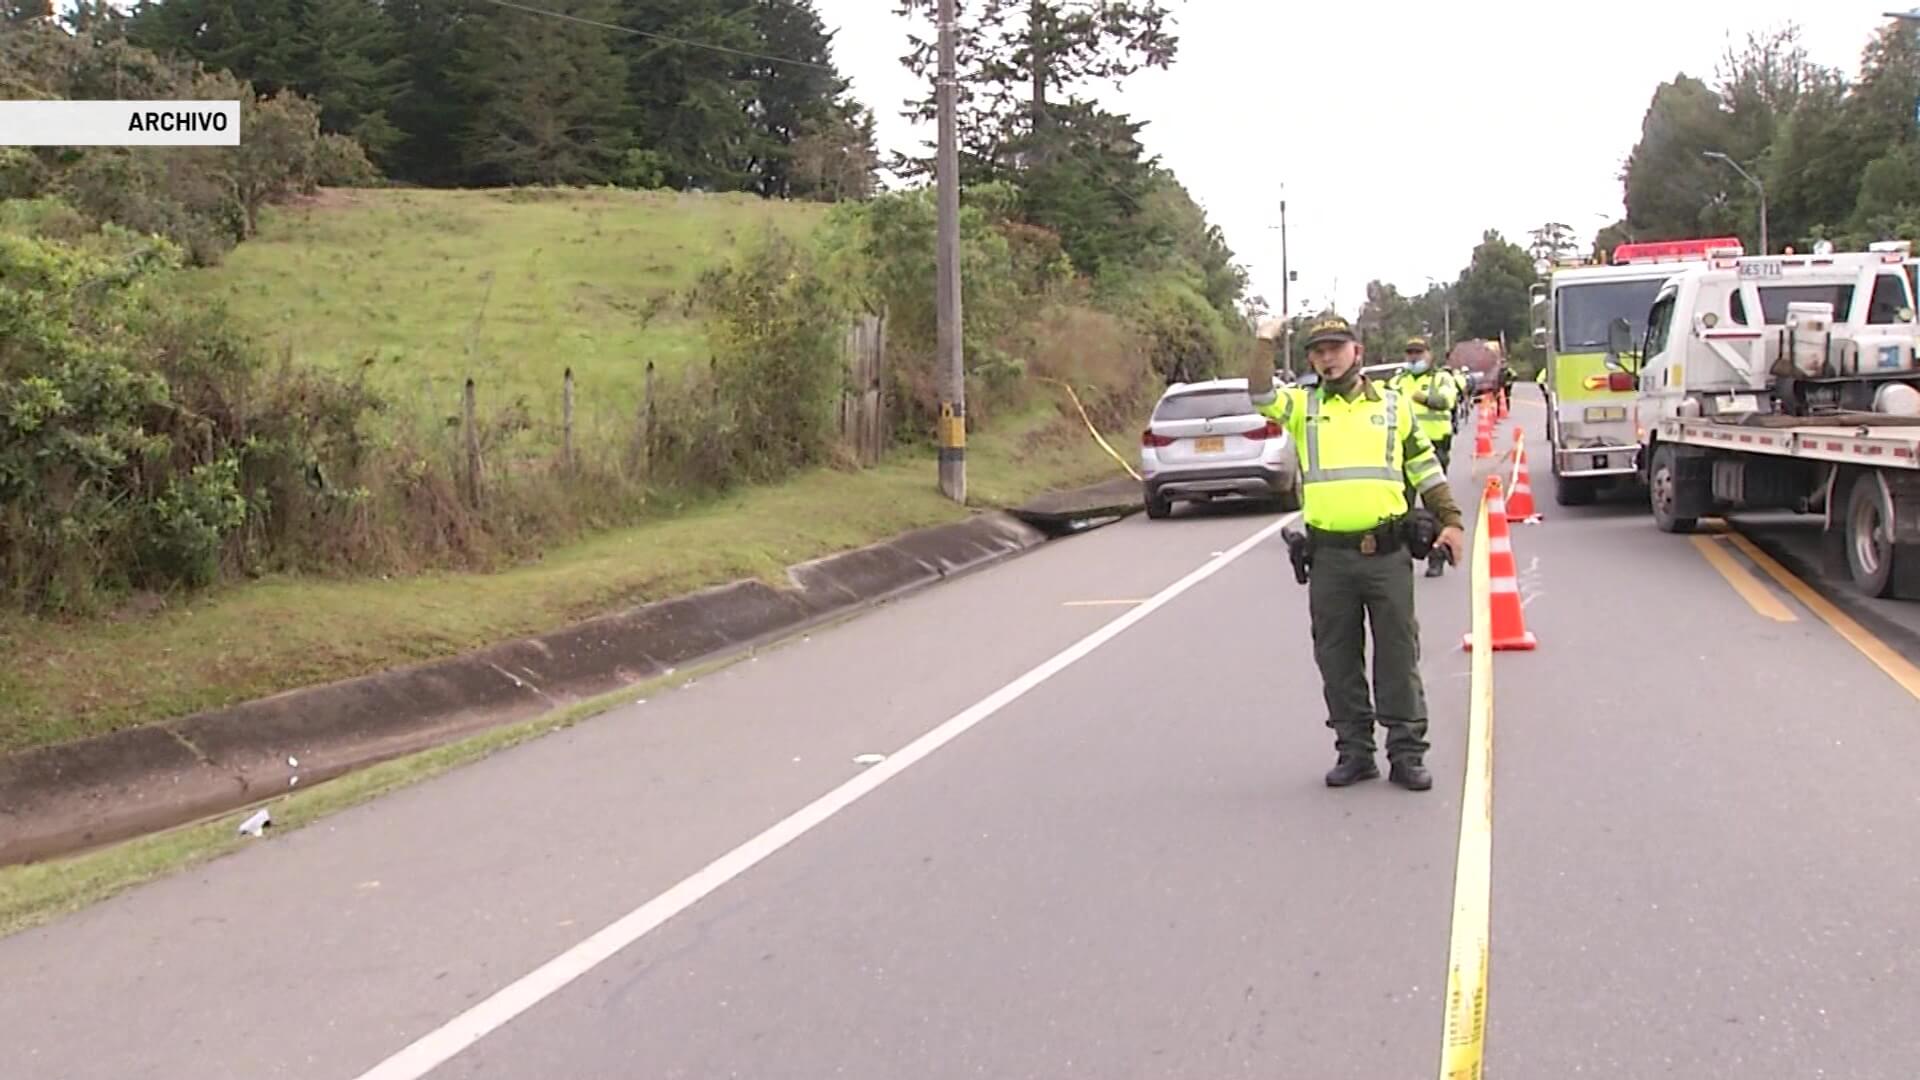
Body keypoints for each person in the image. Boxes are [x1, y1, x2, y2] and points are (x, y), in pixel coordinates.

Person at [1253, 315, 1466, 791]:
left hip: (1386, 554)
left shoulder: (1394, 408)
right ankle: (1355, 751)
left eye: (1336, 347)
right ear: (1311, 359)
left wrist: (1451, 521)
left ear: (1357, 351)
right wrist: (1264, 341)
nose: (1328, 357)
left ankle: (1407, 752)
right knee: (1336, 658)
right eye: (1318, 351)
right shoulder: (1301, 406)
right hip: (1330, 558)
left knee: (1396, 656)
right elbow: (1259, 395)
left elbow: (1426, 468)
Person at [1388, 338, 1460, 578]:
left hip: (1434, 448)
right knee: (1400, 508)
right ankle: (1401, 558)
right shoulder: (1397, 380)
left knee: (1434, 509)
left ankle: (1437, 557)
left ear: (1429, 354)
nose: (1414, 357)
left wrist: (1418, 396)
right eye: (1409, 353)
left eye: (1418, 353)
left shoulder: (1441, 378)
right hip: (1401, 450)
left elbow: (1446, 401)